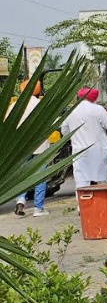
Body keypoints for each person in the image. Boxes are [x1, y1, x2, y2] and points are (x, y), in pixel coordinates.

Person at [11, 81, 51, 218]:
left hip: (20, 147)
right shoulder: (41, 105)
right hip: (40, 145)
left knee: (22, 175)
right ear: (38, 91)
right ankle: (38, 208)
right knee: (40, 176)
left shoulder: (14, 106)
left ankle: (20, 199)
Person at [61, 88, 107, 189]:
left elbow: (64, 131)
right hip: (99, 151)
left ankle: (83, 199)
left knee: (81, 183)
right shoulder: (98, 109)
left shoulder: (71, 111)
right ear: (94, 98)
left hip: (79, 152)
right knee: (105, 181)